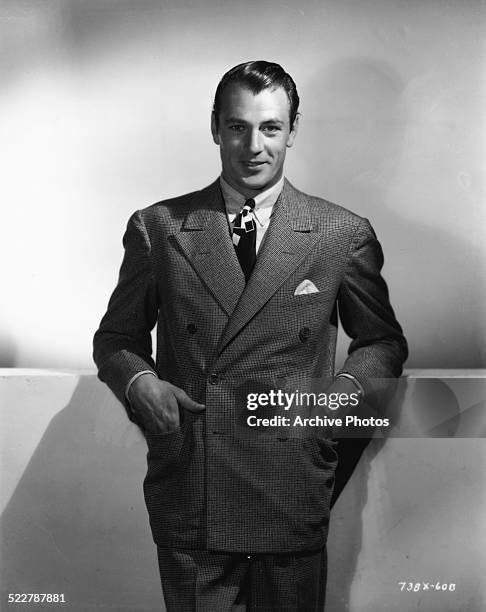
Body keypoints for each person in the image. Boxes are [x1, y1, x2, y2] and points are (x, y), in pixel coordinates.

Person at [93, 60, 407, 611]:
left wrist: (338, 401)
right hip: (194, 483)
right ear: (216, 128)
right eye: (238, 127)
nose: (253, 146)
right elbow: (115, 337)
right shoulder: (160, 227)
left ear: (292, 130)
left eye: (270, 128)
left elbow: (382, 343)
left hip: (290, 478)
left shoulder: (341, 233)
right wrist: (139, 382)